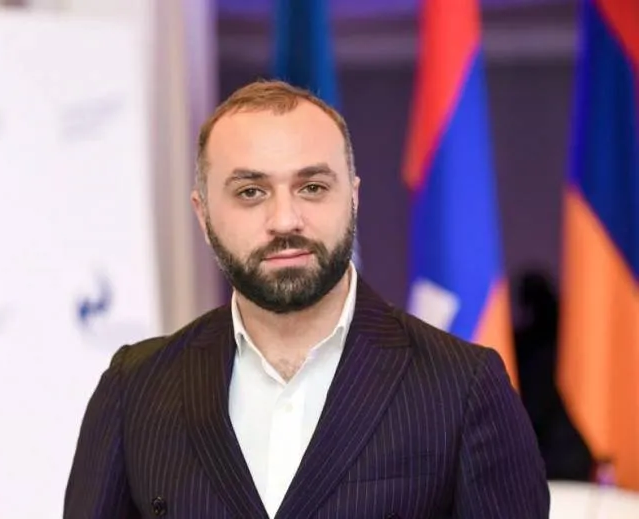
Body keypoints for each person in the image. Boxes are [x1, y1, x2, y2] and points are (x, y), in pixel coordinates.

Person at [63, 80, 550, 519]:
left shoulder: (463, 388)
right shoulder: (134, 390)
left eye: (312, 187)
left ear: (353, 199)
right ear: (203, 214)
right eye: (251, 192)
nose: (285, 220)